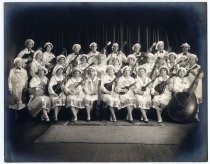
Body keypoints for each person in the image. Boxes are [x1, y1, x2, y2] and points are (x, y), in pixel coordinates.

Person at [185, 54, 204, 121]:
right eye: (190, 59)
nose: (191, 60)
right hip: (187, 84)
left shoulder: (198, 67)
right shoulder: (186, 66)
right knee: (188, 100)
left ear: (195, 60)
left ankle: (196, 115)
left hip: (196, 85)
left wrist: (194, 73)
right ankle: (188, 115)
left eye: (192, 59)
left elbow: (201, 76)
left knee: (196, 100)